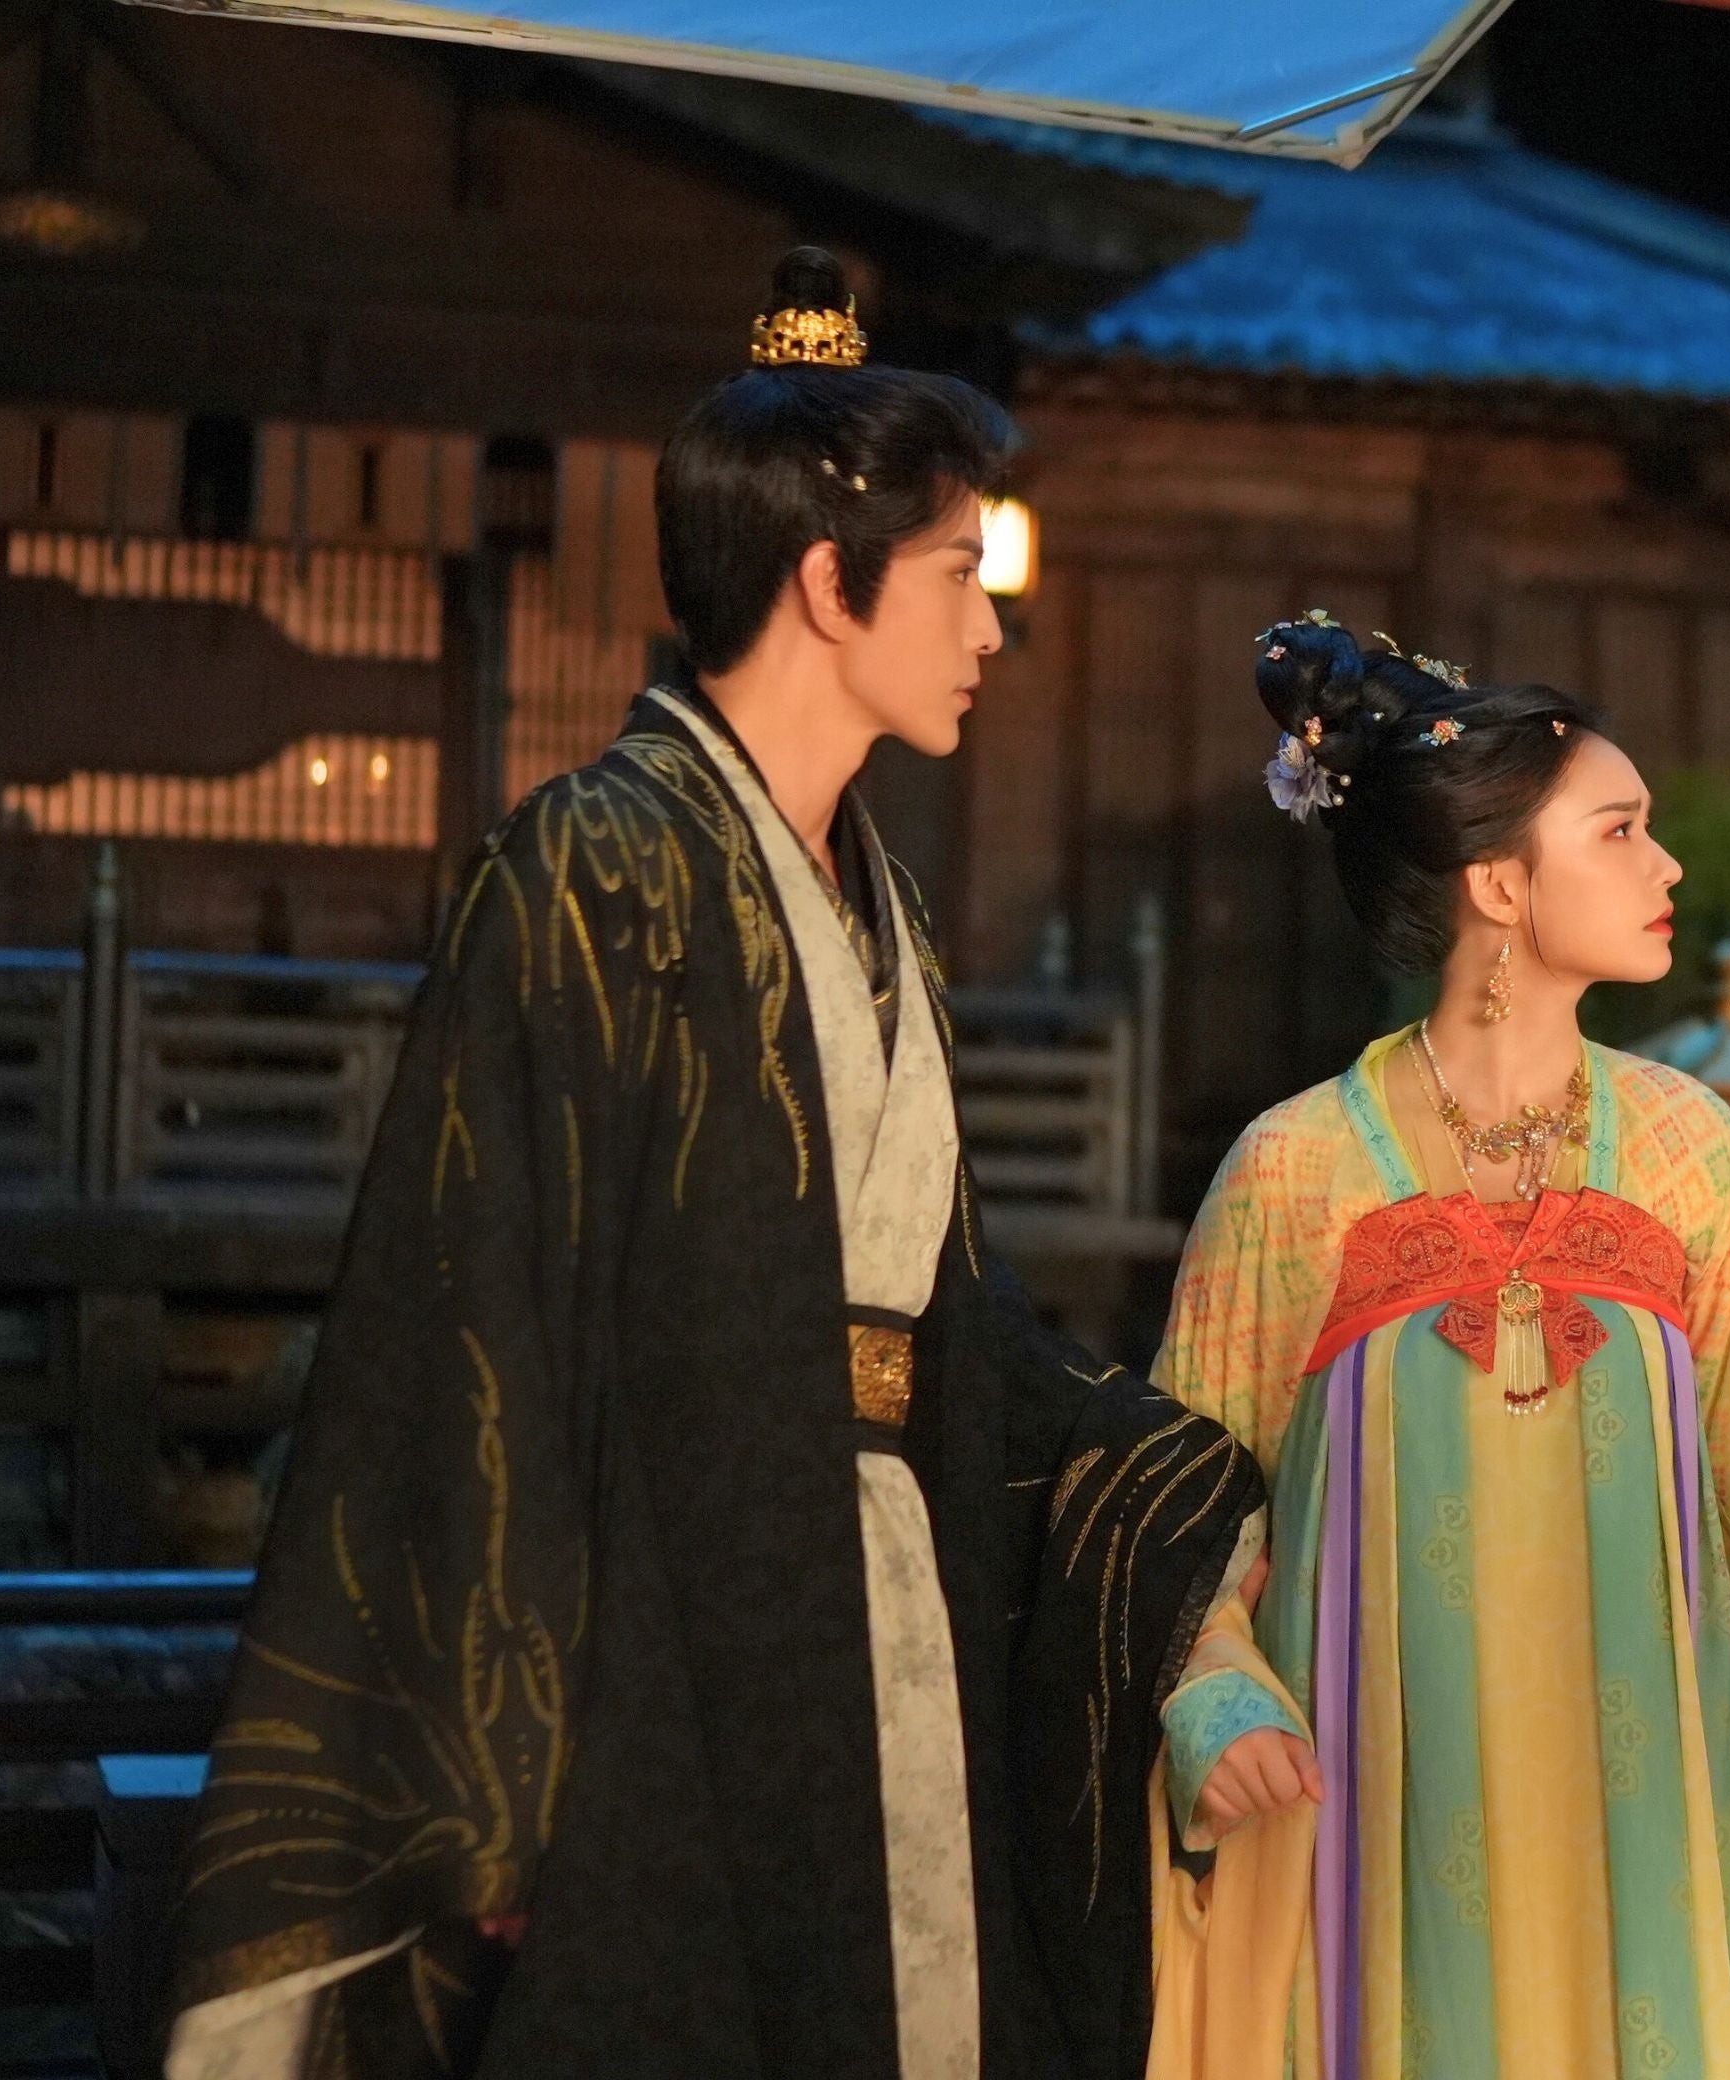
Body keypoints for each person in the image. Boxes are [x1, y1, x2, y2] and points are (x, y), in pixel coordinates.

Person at [165, 249, 1261, 2080]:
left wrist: (1164, 1477)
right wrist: (506, 1758)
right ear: (829, 583)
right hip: (664, 1615)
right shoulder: (592, 864)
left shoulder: (887, 907)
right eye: (958, 575)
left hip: (884, 1592)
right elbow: (482, 1320)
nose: (990, 631)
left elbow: (944, 1314)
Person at [1139, 619, 1730, 2080]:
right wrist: (1211, 1697)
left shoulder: (1686, 1148)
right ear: (1499, 883)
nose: (1665, 867)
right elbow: (1175, 1520)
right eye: (1620, 831)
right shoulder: (1294, 1170)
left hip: (1641, 1831)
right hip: (1377, 1828)